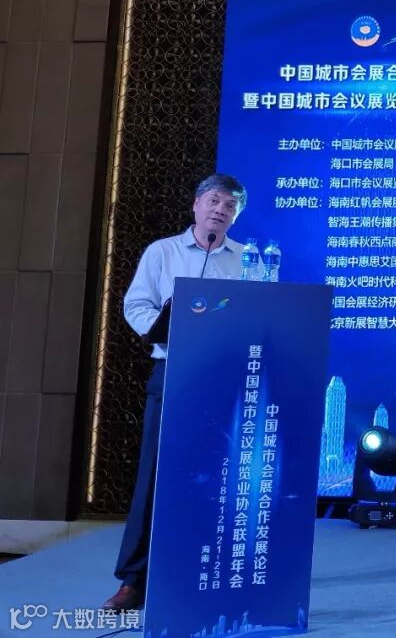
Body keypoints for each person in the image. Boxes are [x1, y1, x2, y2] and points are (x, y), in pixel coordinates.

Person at [103, 174, 248, 611]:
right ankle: (134, 580)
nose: (220, 210)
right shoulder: (162, 252)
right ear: (196, 205)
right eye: (214, 201)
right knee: (155, 475)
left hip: (224, 377)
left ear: (236, 216)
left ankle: (206, 574)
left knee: (217, 476)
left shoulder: (248, 259)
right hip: (173, 371)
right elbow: (136, 304)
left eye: (230, 205)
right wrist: (161, 329)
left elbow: (258, 313)